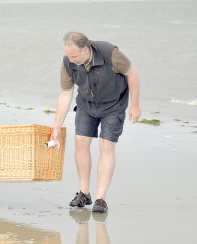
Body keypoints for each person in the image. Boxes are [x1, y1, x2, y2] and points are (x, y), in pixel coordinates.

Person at [51, 32, 141, 213]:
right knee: (80, 142)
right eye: (68, 55)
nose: (71, 59)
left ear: (86, 49)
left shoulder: (111, 54)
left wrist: (135, 106)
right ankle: (84, 193)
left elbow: (132, 74)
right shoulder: (68, 62)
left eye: (74, 56)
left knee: (106, 146)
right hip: (86, 105)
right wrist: (56, 127)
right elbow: (66, 93)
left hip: (113, 106)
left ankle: (101, 199)